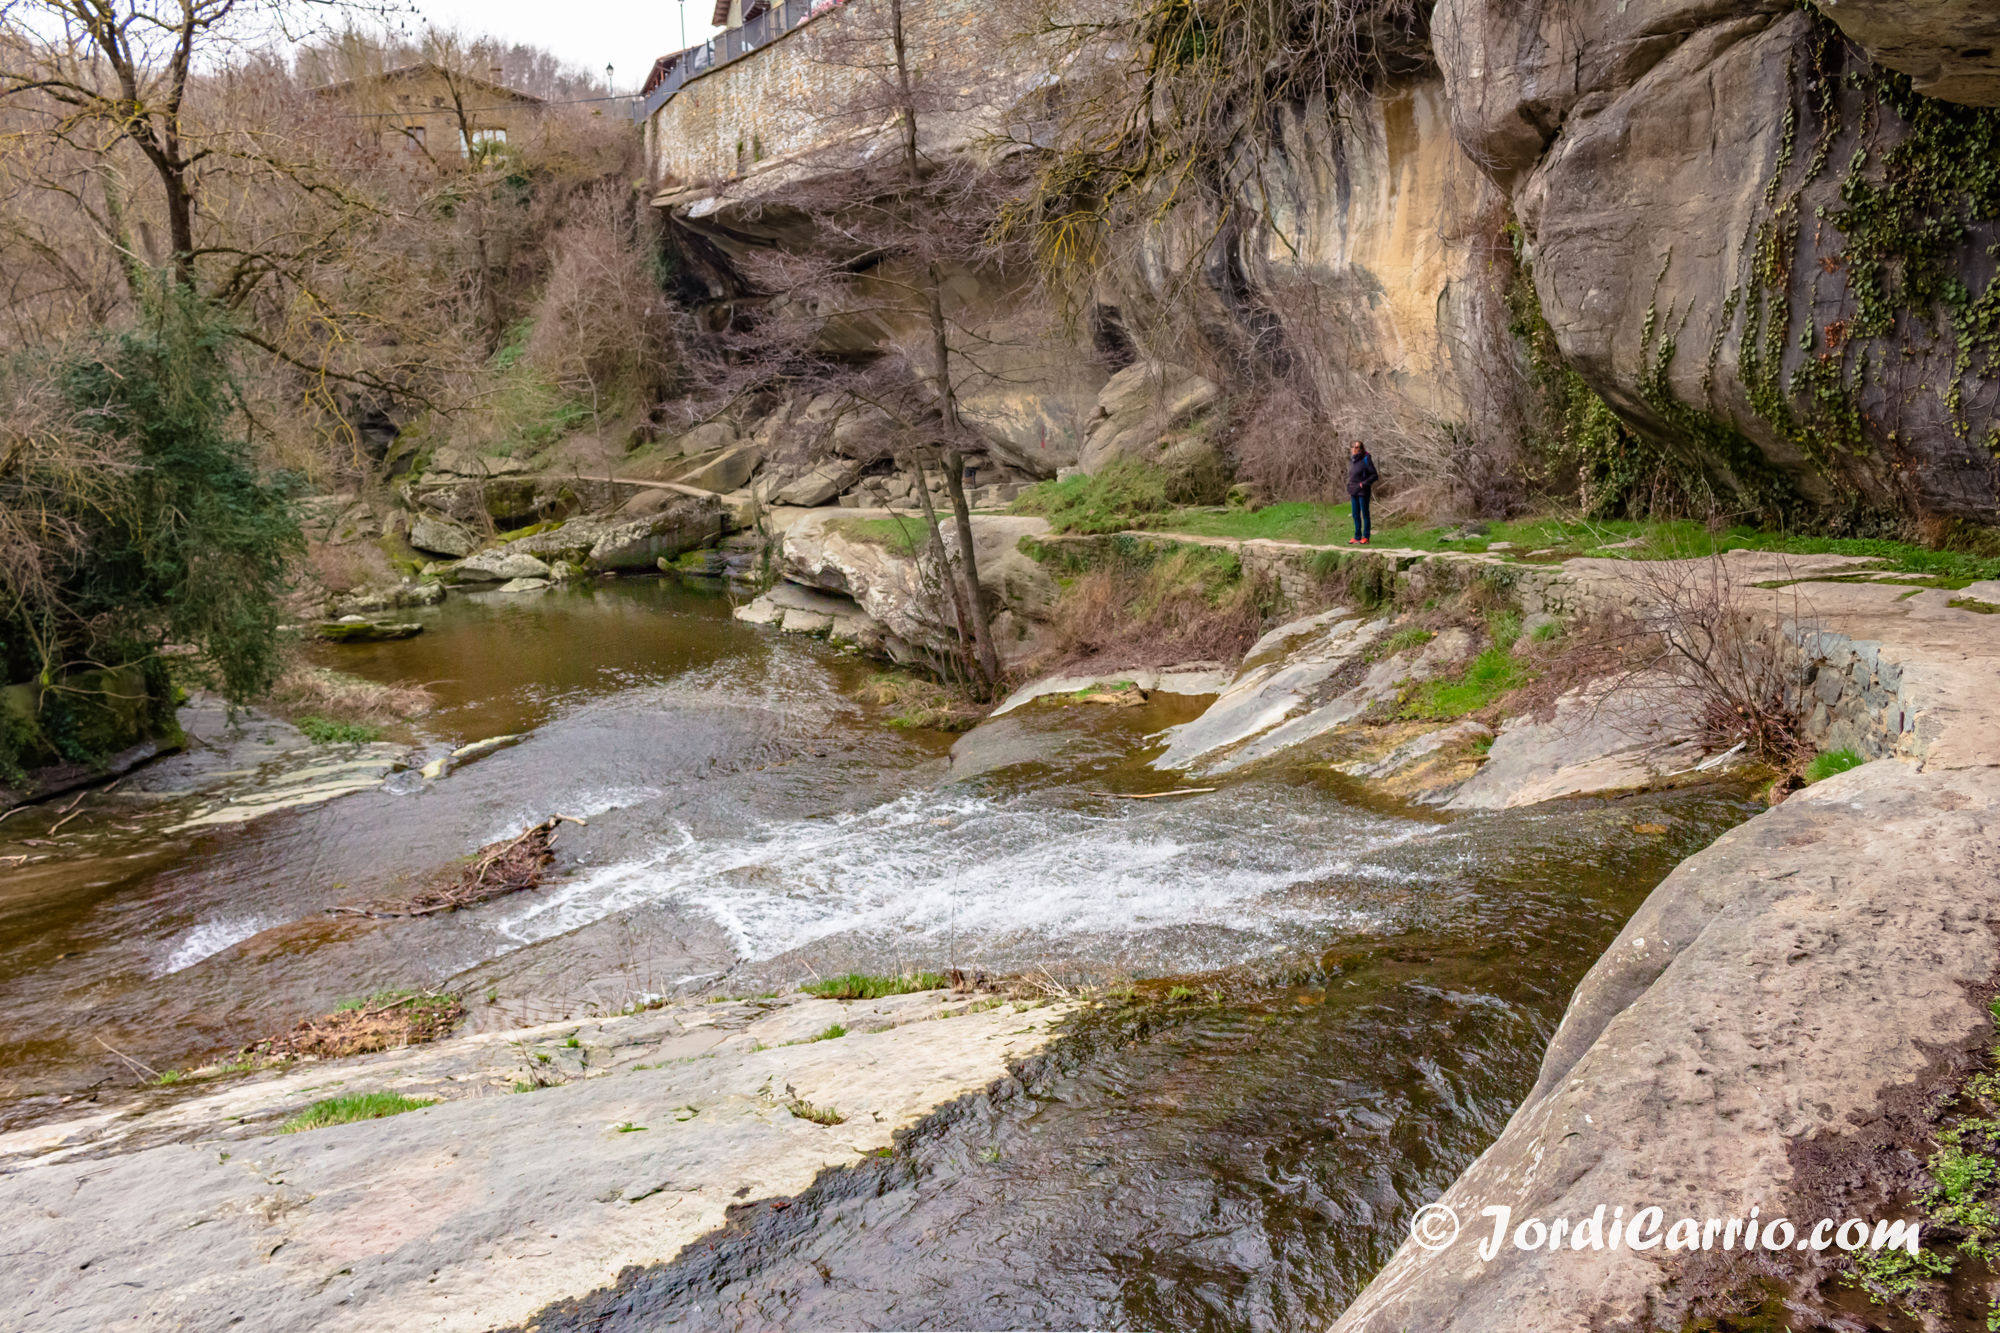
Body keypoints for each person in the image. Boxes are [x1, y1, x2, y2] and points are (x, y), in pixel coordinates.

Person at [1346, 440, 1378, 545]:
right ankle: (1357, 536)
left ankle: (1366, 537)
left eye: (1357, 447)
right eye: (1353, 447)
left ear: (1361, 448)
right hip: (1353, 490)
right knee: (1355, 514)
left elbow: (1374, 475)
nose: (1354, 449)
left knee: (1364, 514)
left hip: (1363, 491)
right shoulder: (1352, 460)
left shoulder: (1366, 458)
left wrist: (1364, 483)